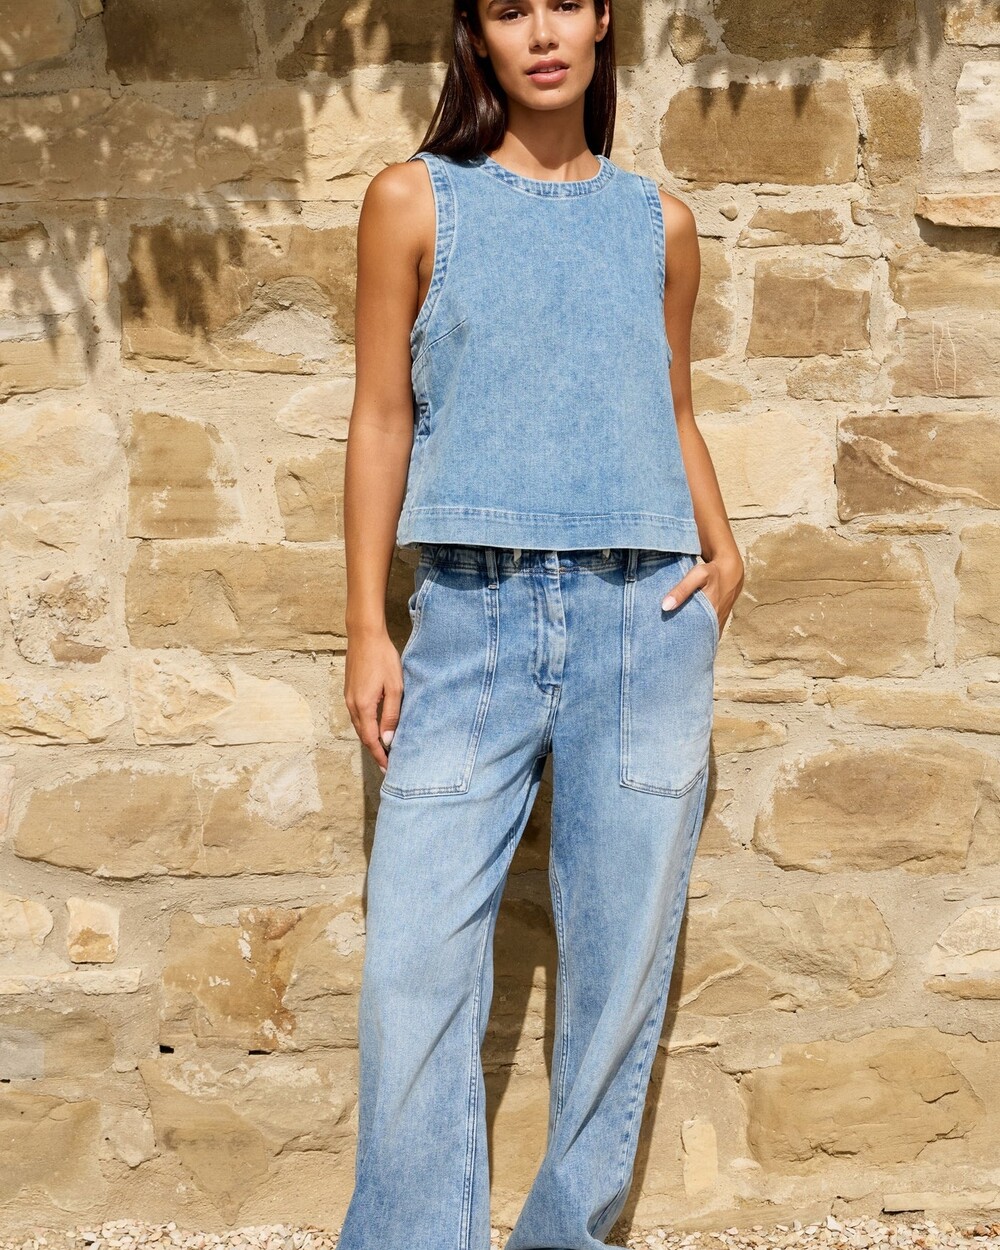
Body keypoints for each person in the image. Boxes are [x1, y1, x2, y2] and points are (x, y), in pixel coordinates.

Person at [340, 1, 744, 1247]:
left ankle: (565, 1233)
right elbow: (380, 417)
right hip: (470, 617)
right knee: (414, 964)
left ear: (603, 19)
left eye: (564, 1)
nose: (543, 33)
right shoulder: (414, 200)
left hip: (642, 619)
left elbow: (670, 405)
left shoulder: (658, 223)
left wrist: (724, 550)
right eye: (510, 10)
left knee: (617, 970)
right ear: (478, 37)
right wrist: (365, 624)